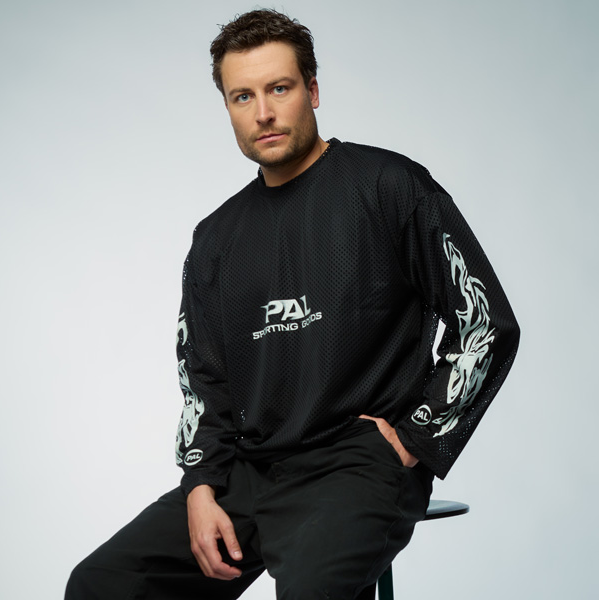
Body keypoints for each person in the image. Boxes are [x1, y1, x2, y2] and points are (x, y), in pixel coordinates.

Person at [66, 8, 520, 600]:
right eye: (243, 96)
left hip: (355, 466)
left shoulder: (388, 186)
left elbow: (485, 322)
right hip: (249, 471)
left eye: (279, 88)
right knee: (101, 585)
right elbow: (204, 381)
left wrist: (416, 437)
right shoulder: (216, 239)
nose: (263, 112)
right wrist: (200, 487)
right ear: (227, 107)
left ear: (312, 90)